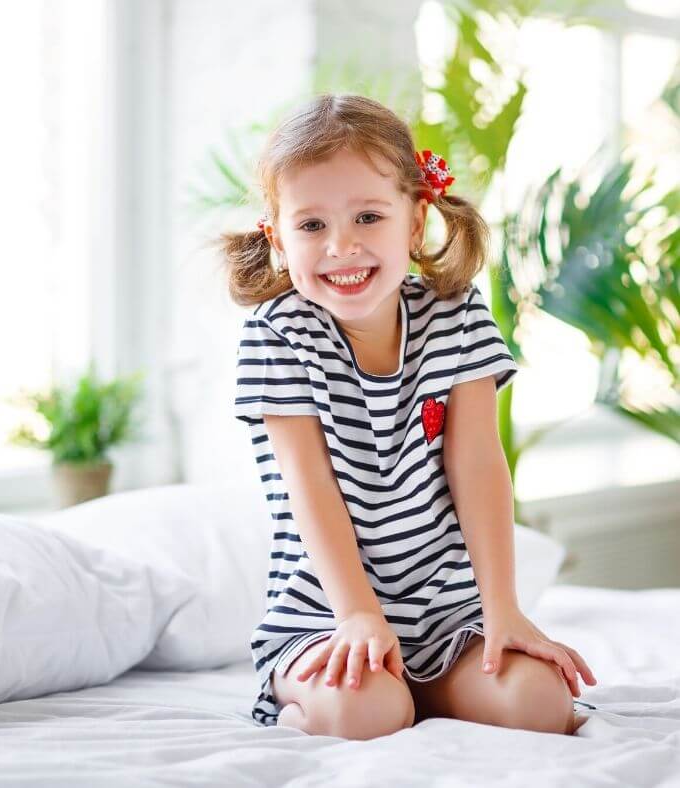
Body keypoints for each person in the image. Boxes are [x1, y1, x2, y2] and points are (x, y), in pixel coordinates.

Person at [220, 93, 596, 740]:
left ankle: (433, 689)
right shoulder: (277, 336)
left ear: (415, 222)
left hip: (446, 615)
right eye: (311, 226)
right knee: (367, 711)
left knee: (539, 706)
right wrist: (358, 615)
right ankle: (312, 695)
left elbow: (477, 462)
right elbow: (308, 486)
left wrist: (502, 610)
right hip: (324, 612)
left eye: (368, 216)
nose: (342, 246)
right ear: (277, 238)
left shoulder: (458, 316)